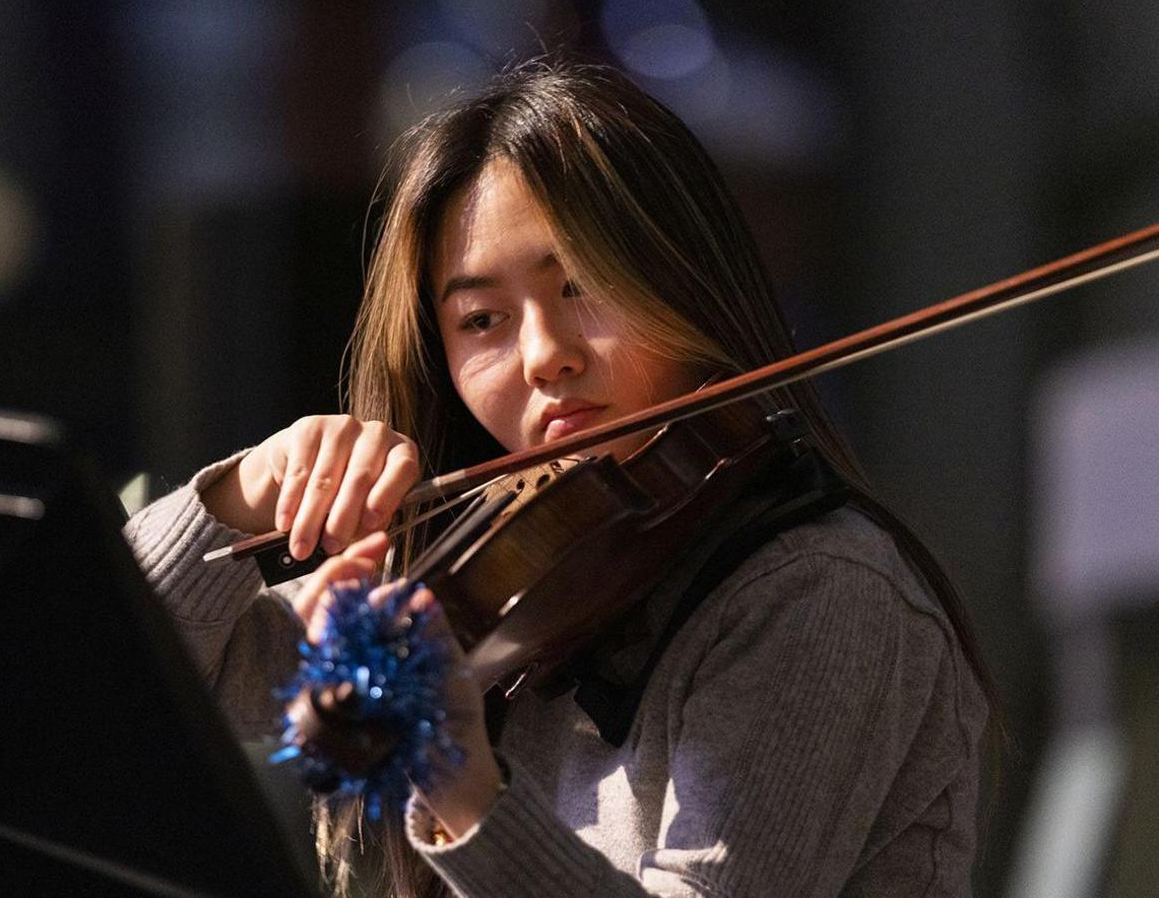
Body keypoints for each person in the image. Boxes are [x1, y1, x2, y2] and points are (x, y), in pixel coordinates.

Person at [124, 60, 992, 898]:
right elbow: (101, 671)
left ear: (683, 277)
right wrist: (241, 491)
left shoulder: (819, 592)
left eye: (579, 284)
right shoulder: (479, 573)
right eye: (483, 320)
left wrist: (467, 791)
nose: (545, 356)